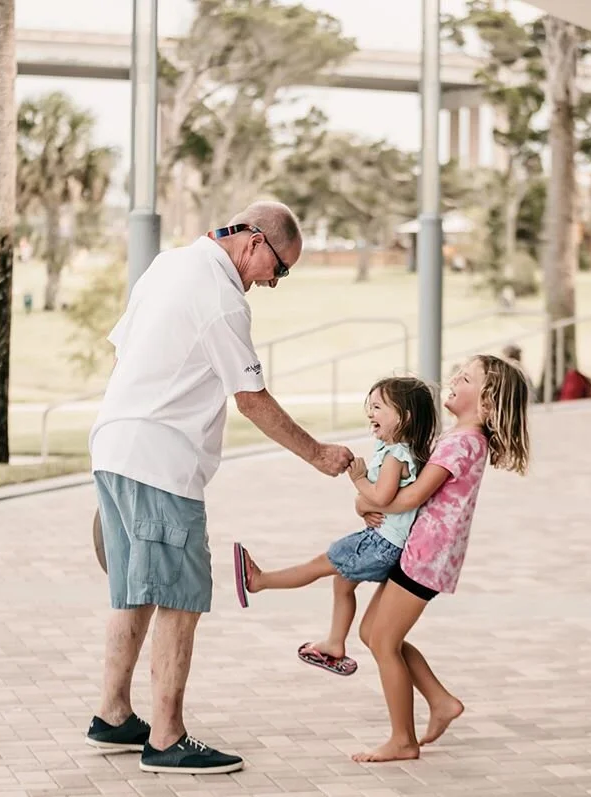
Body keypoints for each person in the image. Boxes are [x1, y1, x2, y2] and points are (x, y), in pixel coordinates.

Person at [86, 201, 354, 775]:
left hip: (114, 448)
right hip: (161, 462)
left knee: (135, 591)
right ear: (254, 242)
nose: (273, 282)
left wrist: (119, 464)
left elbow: (126, 353)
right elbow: (251, 398)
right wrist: (319, 455)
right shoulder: (224, 300)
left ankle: (112, 715)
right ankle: (166, 738)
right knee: (182, 598)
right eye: (278, 269)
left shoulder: (167, 264)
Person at [352, 354, 530, 763]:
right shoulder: (460, 438)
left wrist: (365, 495)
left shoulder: (463, 442)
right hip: (421, 551)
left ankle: (402, 740)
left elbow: (413, 496)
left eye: (465, 378)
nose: (453, 378)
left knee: (383, 640)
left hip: (427, 556)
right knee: (373, 633)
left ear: (486, 402)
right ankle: (440, 700)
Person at [234, 376, 437, 676]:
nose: (371, 414)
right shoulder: (394, 450)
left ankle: (260, 581)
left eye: (379, 407)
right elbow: (383, 501)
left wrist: (359, 481)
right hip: (383, 541)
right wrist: (365, 505)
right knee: (342, 582)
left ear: (404, 417)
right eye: (371, 406)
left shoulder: (397, 456)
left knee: (319, 565)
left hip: (380, 544)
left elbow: (381, 496)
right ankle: (335, 643)